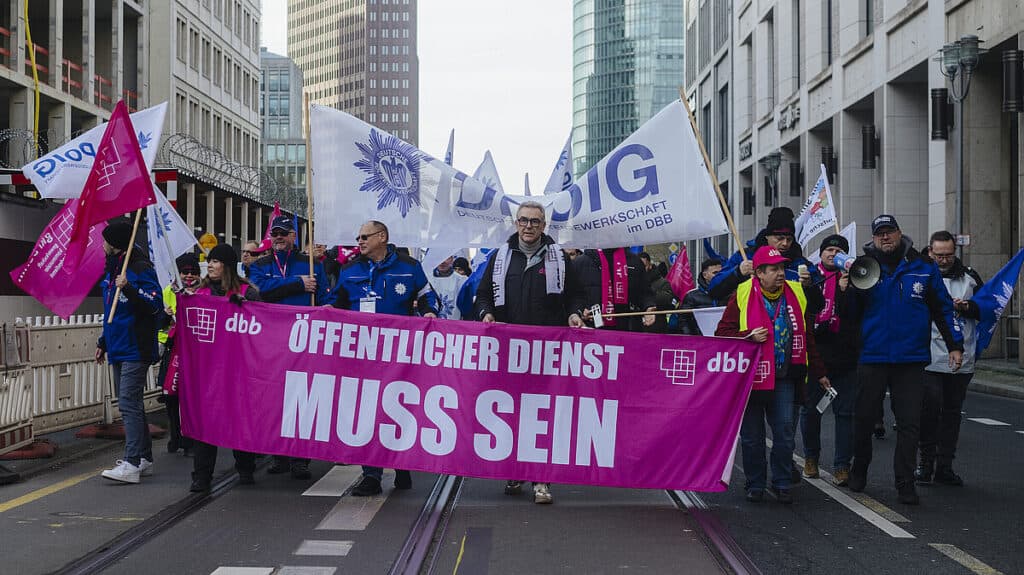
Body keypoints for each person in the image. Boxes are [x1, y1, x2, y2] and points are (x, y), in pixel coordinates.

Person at [841, 215, 964, 505]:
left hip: (910, 359)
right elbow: (848, 317)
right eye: (879, 233)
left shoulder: (923, 268)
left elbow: (943, 309)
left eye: (889, 232)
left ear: (899, 234)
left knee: (910, 423)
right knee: (865, 419)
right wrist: (846, 289)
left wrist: (954, 346)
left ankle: (905, 483)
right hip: (873, 356)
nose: (885, 238)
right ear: (873, 239)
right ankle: (859, 469)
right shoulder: (863, 267)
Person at [475, 201, 585, 504]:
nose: (528, 226)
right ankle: (514, 469)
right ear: (515, 223)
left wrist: (574, 313)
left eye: (535, 222)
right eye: (523, 220)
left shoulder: (559, 258)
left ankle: (541, 478)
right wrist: (485, 313)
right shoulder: (500, 257)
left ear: (544, 225)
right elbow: (483, 294)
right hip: (508, 352)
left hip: (546, 351)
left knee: (542, 415)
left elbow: (575, 295)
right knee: (511, 412)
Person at [715, 246, 829, 504]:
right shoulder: (742, 294)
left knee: (785, 432)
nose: (780, 273)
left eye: (782, 268)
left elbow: (809, 332)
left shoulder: (796, 292)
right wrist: (748, 336)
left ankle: (782, 481)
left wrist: (819, 371)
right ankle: (755, 484)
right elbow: (722, 332)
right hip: (751, 379)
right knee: (753, 437)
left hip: (785, 376)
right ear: (759, 273)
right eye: (774, 269)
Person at [333, 221, 440, 496]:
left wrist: (429, 313)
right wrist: (325, 308)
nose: (359, 241)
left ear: (382, 237)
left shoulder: (409, 266)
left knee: (397, 408)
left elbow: (428, 296)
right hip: (363, 354)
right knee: (368, 410)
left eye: (365, 236)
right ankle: (371, 474)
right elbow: (336, 303)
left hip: (399, 354)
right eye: (357, 237)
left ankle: (402, 463)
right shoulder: (349, 270)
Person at [249, 215, 333, 480]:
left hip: (304, 341)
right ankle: (279, 454)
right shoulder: (260, 264)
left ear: (294, 237)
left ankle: (300, 458)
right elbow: (259, 291)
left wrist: (326, 306)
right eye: (275, 233)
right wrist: (297, 284)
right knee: (275, 399)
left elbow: (324, 298)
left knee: (302, 398)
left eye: (284, 233)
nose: (279, 237)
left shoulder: (311, 264)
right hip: (271, 342)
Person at [188, 244, 261, 492]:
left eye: (216, 261)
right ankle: (201, 476)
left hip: (238, 371)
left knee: (239, 419)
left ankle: (246, 466)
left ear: (227, 266)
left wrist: (246, 309)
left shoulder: (247, 293)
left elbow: (262, 328)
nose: (210, 265)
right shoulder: (200, 292)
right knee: (204, 423)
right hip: (208, 370)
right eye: (209, 261)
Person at [96, 221, 163, 484]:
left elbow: (154, 304)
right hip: (118, 345)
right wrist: (103, 341)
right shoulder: (112, 270)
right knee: (131, 403)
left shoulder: (139, 268)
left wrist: (130, 288)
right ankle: (143, 457)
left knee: (127, 403)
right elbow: (111, 312)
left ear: (115, 244)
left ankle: (132, 462)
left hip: (136, 345)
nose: (102, 245)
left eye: (105, 241)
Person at [916, 231, 983, 487]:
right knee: (929, 409)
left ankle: (945, 465)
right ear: (930, 252)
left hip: (961, 354)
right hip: (929, 355)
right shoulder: (921, 276)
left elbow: (987, 307)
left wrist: (967, 307)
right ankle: (925, 463)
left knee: (952, 413)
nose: (944, 260)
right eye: (939, 255)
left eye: (948, 255)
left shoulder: (970, 277)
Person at [800, 234, 860, 487]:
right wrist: (805, 286)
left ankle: (842, 465)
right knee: (811, 411)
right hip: (816, 354)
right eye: (829, 250)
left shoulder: (857, 279)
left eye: (839, 250)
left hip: (846, 356)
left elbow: (857, 315)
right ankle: (811, 458)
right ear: (821, 253)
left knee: (845, 413)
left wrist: (846, 292)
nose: (833, 254)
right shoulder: (811, 276)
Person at [709, 207, 823, 311]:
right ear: (767, 236)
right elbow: (714, 291)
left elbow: (818, 307)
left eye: (789, 239)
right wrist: (737, 273)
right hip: (752, 327)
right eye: (780, 238)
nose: (785, 243)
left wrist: (809, 286)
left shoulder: (801, 264)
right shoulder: (744, 257)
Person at [159, 253, 201, 456]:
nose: (189, 276)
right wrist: (164, 317)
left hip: (196, 353)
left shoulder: (204, 292)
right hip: (173, 349)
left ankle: (190, 440)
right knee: (170, 397)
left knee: (191, 397)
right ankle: (175, 436)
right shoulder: (168, 291)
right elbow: (158, 322)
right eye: (185, 272)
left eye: (194, 272)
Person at [572, 247, 657, 332]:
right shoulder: (581, 262)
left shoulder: (634, 261)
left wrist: (649, 307)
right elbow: (574, 295)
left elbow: (645, 292)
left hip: (625, 328)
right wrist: (578, 310)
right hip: (591, 330)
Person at [679, 258, 723, 335]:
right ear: (705, 275)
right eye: (715, 273)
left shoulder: (730, 294)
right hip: (701, 341)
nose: (719, 276)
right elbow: (684, 321)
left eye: (721, 272)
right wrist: (691, 339)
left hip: (726, 341)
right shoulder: (691, 296)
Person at [430, 255, 469, 320]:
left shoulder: (462, 280)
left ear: (451, 259)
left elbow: (466, 307)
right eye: (439, 257)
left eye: (445, 258)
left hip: (453, 325)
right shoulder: (427, 278)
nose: (442, 262)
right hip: (432, 326)